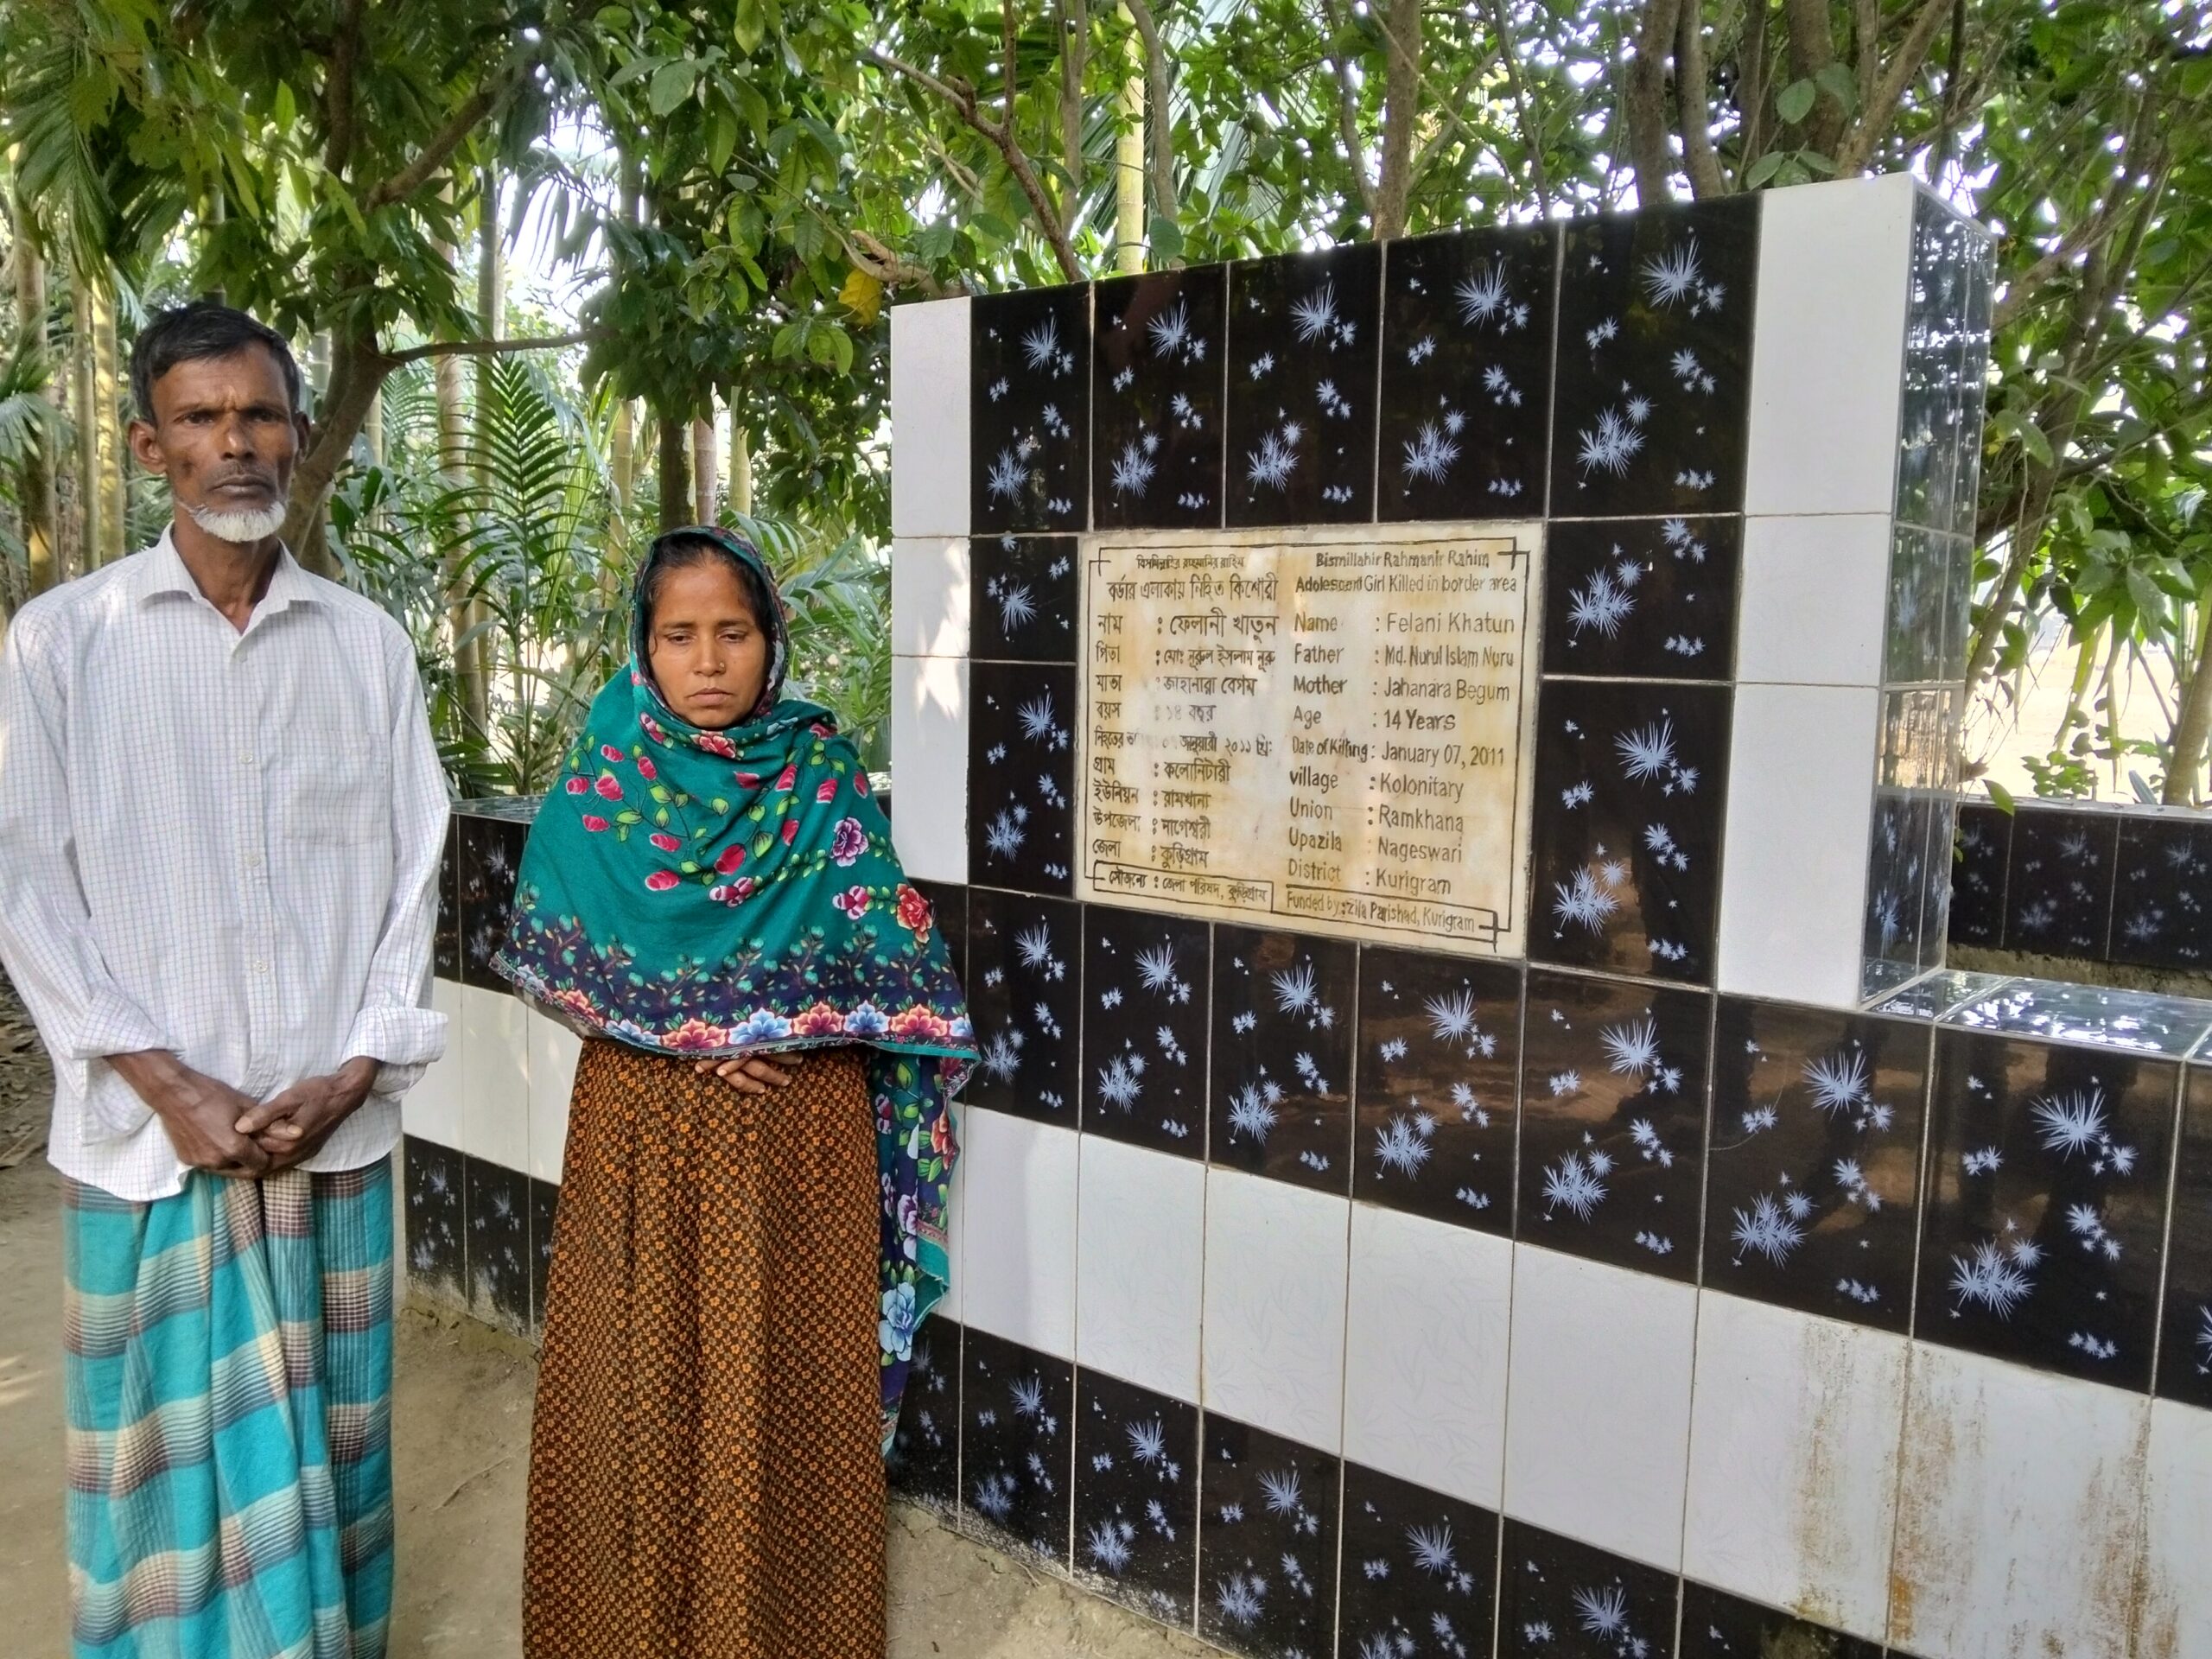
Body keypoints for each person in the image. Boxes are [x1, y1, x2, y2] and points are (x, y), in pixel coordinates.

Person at [0, 302, 448, 1657]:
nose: (234, 443)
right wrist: (165, 1081)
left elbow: (411, 876)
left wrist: (353, 1070)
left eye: (259, 415)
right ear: (150, 446)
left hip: (330, 1141)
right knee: (155, 1478)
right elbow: (27, 884)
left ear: (303, 439)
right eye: (200, 419)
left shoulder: (365, 648)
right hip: (149, 1151)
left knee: (338, 1450)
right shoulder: (62, 642)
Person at [494, 525, 973, 1658]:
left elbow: (897, 969)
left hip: (797, 1130)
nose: (708, 661)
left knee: (790, 1386)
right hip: (641, 1127)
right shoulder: (607, 773)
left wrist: (794, 1026)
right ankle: (625, 1629)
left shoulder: (820, 777)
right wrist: (686, 1030)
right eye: (679, 636)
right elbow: (558, 945)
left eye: (734, 633)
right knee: (639, 1380)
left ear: (773, 643)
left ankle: (784, 1629)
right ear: (643, 649)